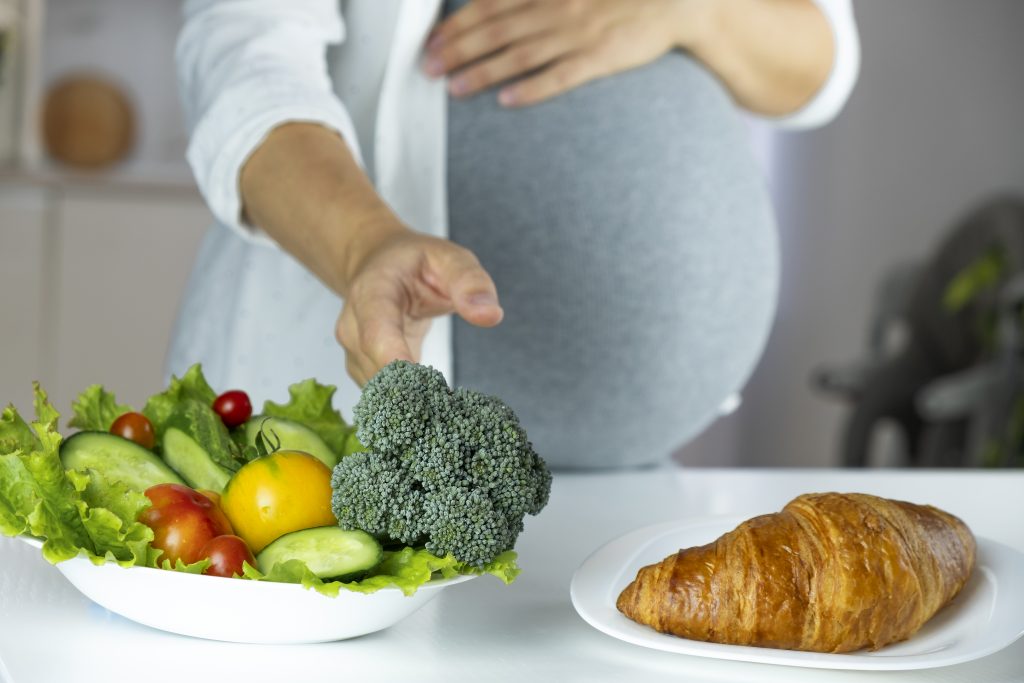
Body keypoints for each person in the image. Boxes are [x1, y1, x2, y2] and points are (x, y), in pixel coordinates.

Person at [170, 0, 859, 468]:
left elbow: (820, 63)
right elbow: (245, 68)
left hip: (635, 472)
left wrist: (694, 9)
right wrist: (365, 245)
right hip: (340, 433)